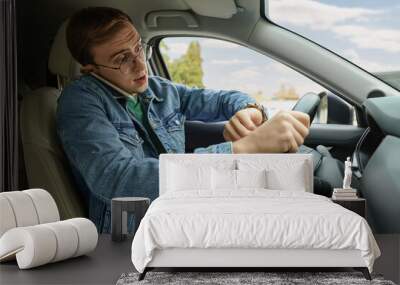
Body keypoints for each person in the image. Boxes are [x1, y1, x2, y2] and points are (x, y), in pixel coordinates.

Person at [57, 7, 310, 233]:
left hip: (179, 211)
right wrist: (241, 150)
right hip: (131, 232)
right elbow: (119, 180)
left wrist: (250, 111)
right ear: (91, 69)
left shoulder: (158, 89)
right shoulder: (80, 101)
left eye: (138, 47)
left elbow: (222, 99)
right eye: (122, 59)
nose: (140, 65)